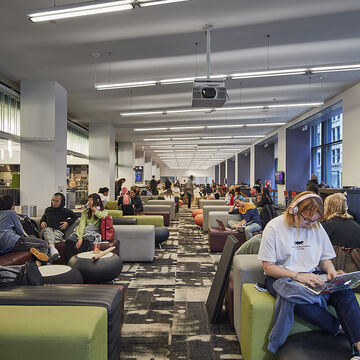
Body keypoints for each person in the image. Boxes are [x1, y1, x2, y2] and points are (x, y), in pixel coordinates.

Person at [258, 191, 360, 357]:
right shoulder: (274, 227)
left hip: (313, 274)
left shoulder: (316, 227)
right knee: (295, 299)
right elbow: (268, 267)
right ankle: (338, 328)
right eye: (306, 219)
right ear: (294, 210)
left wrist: (331, 272)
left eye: (314, 220)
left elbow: (325, 258)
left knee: (345, 292)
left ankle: (358, 345)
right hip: (282, 277)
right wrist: (298, 276)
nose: (309, 224)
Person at [0, 195, 48, 266]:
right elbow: (19, 230)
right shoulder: (11, 213)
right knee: (44, 244)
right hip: (13, 242)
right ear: (11, 205)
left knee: (32, 238)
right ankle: (39, 265)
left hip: (3, 246)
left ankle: (34, 250)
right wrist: (25, 238)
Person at [65, 193, 108, 262]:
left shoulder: (103, 211)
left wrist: (95, 211)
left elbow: (103, 216)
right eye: (88, 200)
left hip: (92, 233)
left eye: (91, 200)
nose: (89, 202)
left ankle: (79, 262)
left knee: (87, 242)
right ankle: (70, 262)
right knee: (69, 241)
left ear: (97, 200)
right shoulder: (85, 212)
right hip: (81, 231)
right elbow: (82, 225)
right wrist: (80, 238)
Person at [40, 192, 78, 261]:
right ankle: (52, 248)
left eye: (57, 201)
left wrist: (67, 222)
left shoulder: (66, 211)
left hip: (58, 232)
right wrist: (42, 222)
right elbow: (43, 218)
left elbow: (75, 217)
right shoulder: (48, 210)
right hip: (45, 231)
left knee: (51, 238)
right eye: (53, 200)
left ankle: (50, 256)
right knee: (48, 229)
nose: (54, 203)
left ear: (62, 202)